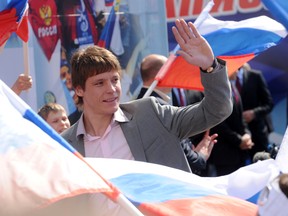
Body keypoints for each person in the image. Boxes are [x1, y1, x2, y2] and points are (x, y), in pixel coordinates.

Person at [61, 18, 232, 173]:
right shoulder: (64, 146)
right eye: (100, 83)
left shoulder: (151, 113)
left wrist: (210, 66)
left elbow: (217, 109)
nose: (111, 89)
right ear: (79, 90)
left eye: (115, 80)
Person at [137, 53, 217, 173]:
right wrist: (201, 155)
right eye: (170, 70)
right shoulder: (159, 108)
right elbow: (186, 159)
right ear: (161, 74)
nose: (174, 74)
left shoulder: (138, 103)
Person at [208, 71, 254, 176]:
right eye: (236, 69)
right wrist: (239, 140)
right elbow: (219, 123)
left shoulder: (233, 88)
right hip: (225, 155)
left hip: (239, 153)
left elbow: (241, 117)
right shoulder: (217, 91)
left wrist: (247, 135)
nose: (238, 72)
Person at [236, 63, 274, 159]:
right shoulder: (224, 79)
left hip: (257, 133)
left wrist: (254, 113)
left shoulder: (255, 76)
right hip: (235, 137)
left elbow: (269, 103)